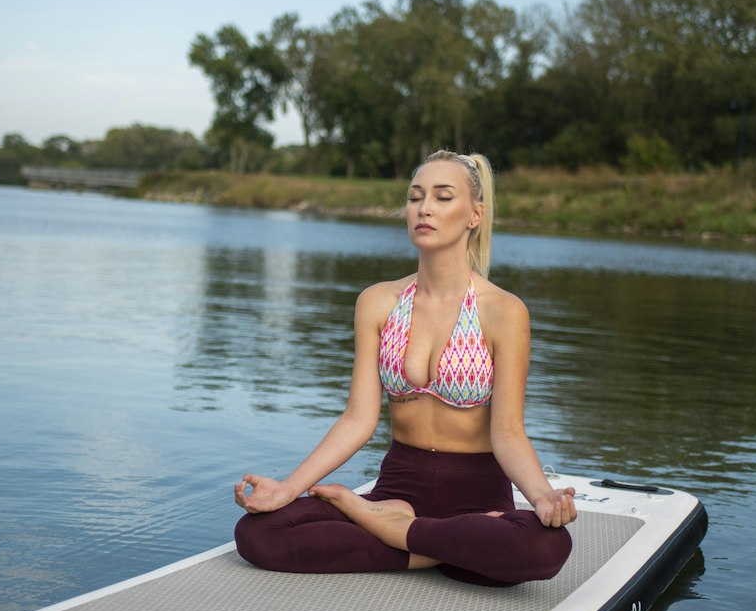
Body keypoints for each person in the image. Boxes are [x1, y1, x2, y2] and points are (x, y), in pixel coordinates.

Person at [234, 151, 576, 586]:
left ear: (475, 214)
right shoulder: (378, 302)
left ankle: (394, 531)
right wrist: (288, 487)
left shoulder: (503, 312)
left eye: (442, 197)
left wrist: (542, 498)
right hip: (398, 490)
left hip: (476, 496)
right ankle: (446, 550)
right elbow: (359, 419)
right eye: (416, 197)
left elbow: (507, 433)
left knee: (547, 547)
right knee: (258, 534)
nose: (424, 208)